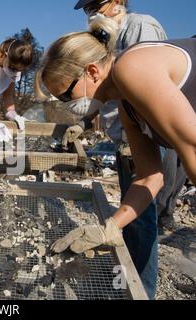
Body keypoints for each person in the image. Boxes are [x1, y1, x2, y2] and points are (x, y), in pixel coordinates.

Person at [36, 17, 196, 300]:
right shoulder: (127, 107)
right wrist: (111, 226)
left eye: (65, 96)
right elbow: (150, 176)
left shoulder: (131, 70)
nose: (67, 106)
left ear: (92, 71)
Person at [62, 0, 172, 299]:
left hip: (145, 138)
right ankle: (127, 280)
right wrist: (85, 122)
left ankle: (141, 289)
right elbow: (100, 88)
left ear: (118, 1)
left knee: (141, 220)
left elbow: (149, 91)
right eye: (87, 9)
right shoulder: (104, 37)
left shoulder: (139, 27)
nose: (91, 13)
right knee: (132, 215)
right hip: (127, 137)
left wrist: (134, 141)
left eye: (96, 5)